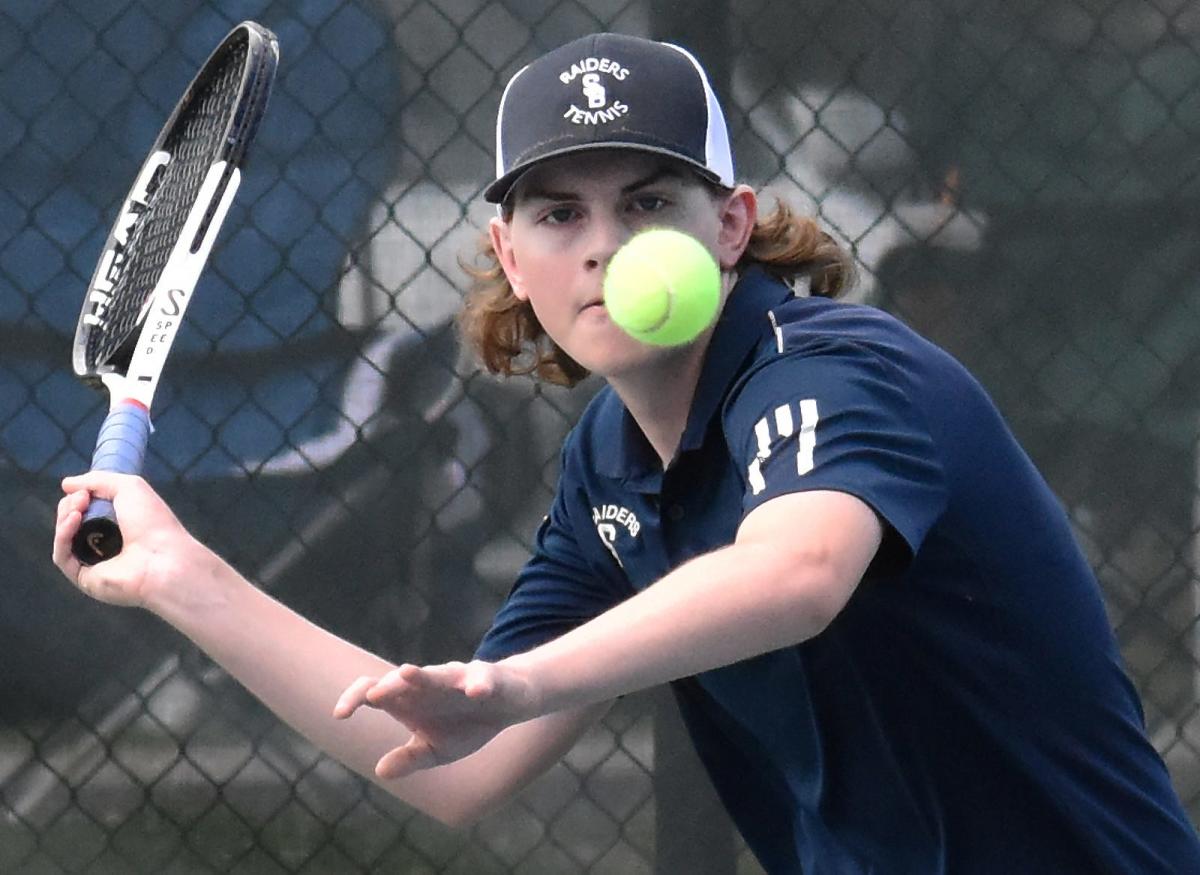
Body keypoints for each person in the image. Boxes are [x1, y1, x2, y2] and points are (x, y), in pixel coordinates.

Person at [53, 32, 1200, 874]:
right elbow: (455, 764)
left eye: (648, 200)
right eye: (558, 214)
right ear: (507, 251)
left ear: (732, 224)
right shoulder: (609, 468)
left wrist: (521, 680)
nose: (606, 245)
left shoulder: (839, 368)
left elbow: (796, 573)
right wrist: (183, 578)